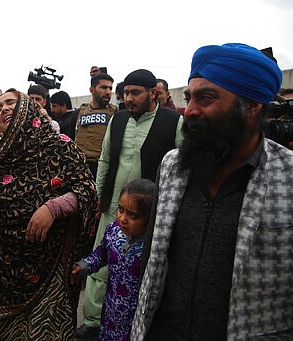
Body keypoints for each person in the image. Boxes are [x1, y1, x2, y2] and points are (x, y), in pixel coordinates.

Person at [132, 43, 293, 340]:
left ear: (252, 106)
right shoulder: (172, 166)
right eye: (189, 97)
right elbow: (153, 258)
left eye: (206, 98)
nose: (190, 110)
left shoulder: (287, 177)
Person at [0, 89, 98, 340]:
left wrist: (54, 208)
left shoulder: (60, 146)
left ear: (28, 109)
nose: (4, 108)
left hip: (51, 267)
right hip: (4, 273)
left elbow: (88, 192)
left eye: (11, 103)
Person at [76, 69, 183, 340]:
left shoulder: (173, 121)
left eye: (135, 93)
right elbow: (105, 158)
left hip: (149, 215)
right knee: (101, 263)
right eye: (125, 93)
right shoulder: (118, 119)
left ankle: (138, 324)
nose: (129, 98)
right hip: (113, 205)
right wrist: (98, 195)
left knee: (142, 270)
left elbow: (184, 168)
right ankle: (92, 321)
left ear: (153, 93)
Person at [72, 179, 155, 341]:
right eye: (121, 209)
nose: (123, 218)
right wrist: (84, 266)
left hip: (136, 320)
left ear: (149, 218)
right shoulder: (113, 231)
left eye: (133, 215)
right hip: (110, 313)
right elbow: (101, 254)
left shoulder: (152, 248)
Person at [74, 73, 118, 178]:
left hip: (102, 168)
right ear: (92, 90)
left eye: (110, 88)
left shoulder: (115, 112)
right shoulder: (80, 111)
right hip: (80, 166)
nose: (108, 92)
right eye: (103, 87)